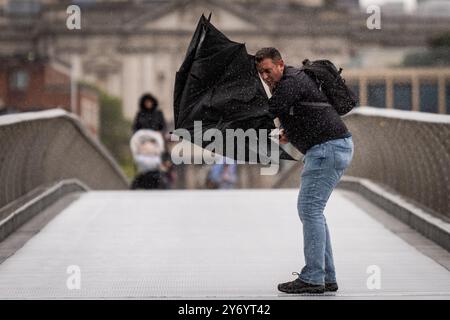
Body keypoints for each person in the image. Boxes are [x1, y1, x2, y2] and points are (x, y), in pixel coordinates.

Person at [255, 47, 354, 294]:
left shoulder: (290, 82)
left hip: (327, 150)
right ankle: (326, 276)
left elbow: (266, 112)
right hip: (330, 147)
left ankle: (313, 277)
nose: (265, 76)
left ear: (280, 64)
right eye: (260, 72)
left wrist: (225, 115)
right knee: (314, 212)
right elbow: (308, 112)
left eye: (267, 70)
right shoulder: (292, 82)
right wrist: (291, 133)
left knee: (309, 210)